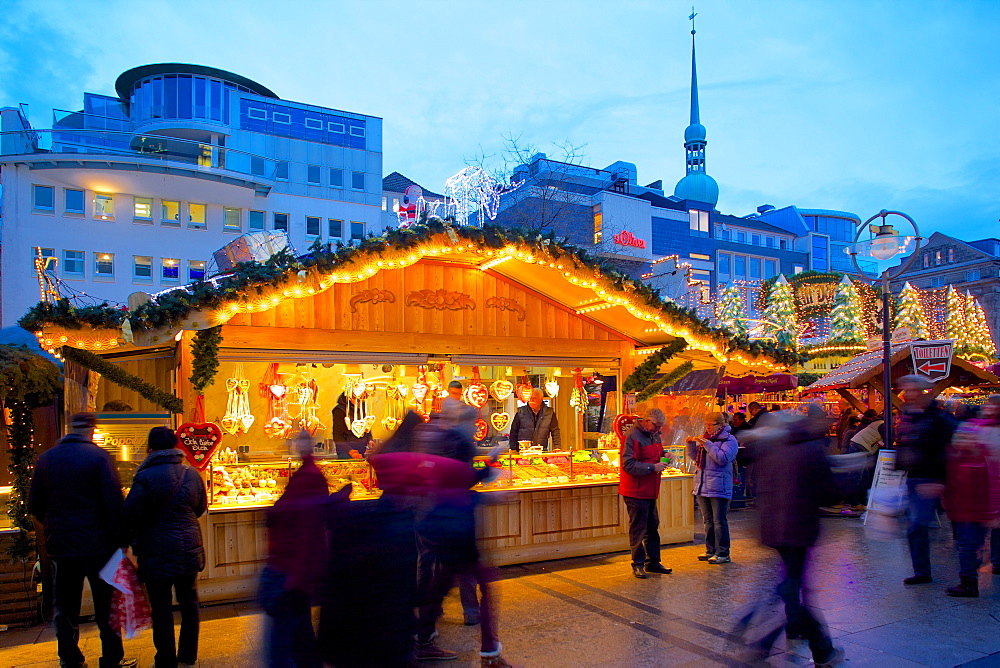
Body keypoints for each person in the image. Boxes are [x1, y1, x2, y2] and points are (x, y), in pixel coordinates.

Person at [28, 412, 137, 668]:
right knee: (106, 605)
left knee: (65, 606)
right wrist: (122, 541)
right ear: (91, 431)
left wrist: (54, 527)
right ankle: (111, 658)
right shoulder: (100, 457)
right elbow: (113, 504)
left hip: (62, 545)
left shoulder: (46, 459)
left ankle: (70, 657)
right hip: (100, 545)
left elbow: (35, 505)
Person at [736, 412, 844, 666]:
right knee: (791, 588)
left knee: (792, 585)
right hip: (799, 528)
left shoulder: (770, 448)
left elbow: (753, 476)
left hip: (773, 527)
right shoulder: (811, 450)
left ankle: (802, 639)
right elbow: (830, 494)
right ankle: (810, 648)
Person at [123, 427, 207, 668]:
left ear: (150, 448)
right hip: (188, 546)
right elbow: (200, 508)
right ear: (176, 446)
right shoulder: (191, 474)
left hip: (155, 548)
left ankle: (166, 659)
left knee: (161, 607)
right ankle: (188, 655)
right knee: (189, 600)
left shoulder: (145, 476)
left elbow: (130, 513)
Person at [260, 430, 330, 666]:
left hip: (291, 569)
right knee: (299, 633)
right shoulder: (307, 474)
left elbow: (306, 529)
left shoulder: (309, 476)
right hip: (293, 567)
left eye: (299, 441)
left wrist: (297, 577)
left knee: (283, 640)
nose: (295, 445)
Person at [894, 374, 957, 585]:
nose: (908, 394)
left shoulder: (937, 418)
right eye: (906, 390)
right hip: (913, 478)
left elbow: (946, 449)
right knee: (914, 526)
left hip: (929, 479)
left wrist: (939, 479)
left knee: (916, 525)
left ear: (922, 391)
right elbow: (906, 445)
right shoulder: (910, 415)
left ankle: (924, 572)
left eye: (911, 390)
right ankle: (921, 571)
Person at [942, 395, 1000, 597]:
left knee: (969, 544)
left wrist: (992, 512)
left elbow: (990, 484)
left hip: (978, 510)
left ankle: (970, 581)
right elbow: (952, 483)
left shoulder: (980, 458)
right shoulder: (957, 456)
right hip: (963, 510)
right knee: (968, 545)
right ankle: (970, 578)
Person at [620, 406, 672, 579]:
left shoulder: (653, 434)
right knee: (638, 528)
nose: (659, 430)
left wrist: (666, 455)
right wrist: (652, 467)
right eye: (656, 426)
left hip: (650, 488)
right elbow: (628, 465)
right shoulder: (632, 436)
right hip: (635, 490)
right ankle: (638, 563)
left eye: (660, 427)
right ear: (647, 421)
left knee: (652, 526)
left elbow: (655, 453)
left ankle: (653, 561)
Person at [687, 412, 739, 564]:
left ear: (721, 425)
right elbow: (695, 457)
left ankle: (723, 552)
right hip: (703, 484)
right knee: (707, 520)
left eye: (711, 425)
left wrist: (707, 444)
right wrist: (691, 445)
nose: (708, 427)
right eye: (706, 424)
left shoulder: (729, 440)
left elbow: (723, 458)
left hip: (719, 485)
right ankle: (710, 550)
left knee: (719, 521)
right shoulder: (706, 439)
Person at [331, 392, 372, 458]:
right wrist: (350, 451)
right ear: (350, 397)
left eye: (363, 399)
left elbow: (367, 428)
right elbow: (337, 435)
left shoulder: (363, 407)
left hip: (361, 449)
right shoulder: (340, 410)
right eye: (358, 400)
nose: (360, 402)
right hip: (345, 452)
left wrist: (370, 440)